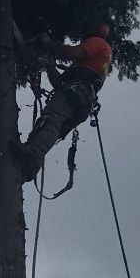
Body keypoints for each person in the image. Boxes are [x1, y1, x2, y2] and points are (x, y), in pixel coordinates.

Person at [9, 24, 112, 183]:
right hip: (78, 99)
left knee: (51, 120)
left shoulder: (98, 43)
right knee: (45, 125)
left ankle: (32, 157)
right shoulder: (87, 66)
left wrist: (49, 45)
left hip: (75, 95)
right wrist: (49, 64)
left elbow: (72, 53)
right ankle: (20, 171)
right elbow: (59, 84)